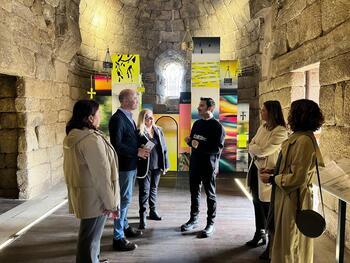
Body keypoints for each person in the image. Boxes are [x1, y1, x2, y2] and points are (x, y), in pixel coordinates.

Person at [260, 99, 325, 263]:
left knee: (291, 243)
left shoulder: (304, 141)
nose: (289, 116)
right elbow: (292, 167)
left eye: (292, 112)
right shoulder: (299, 137)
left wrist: (274, 178)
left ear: (299, 115)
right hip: (287, 196)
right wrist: (274, 172)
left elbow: (297, 178)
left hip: (294, 198)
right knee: (286, 240)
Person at [63, 100, 119, 263]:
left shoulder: (74, 136)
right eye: (98, 113)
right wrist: (110, 203)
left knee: (89, 236)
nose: (100, 116)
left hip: (86, 194)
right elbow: (102, 176)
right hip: (96, 197)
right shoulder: (90, 140)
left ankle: (93, 259)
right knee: (90, 238)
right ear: (90, 118)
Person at [109, 89, 150, 251]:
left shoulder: (129, 117)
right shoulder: (117, 119)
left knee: (126, 199)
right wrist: (136, 152)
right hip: (124, 166)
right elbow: (116, 146)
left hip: (131, 165)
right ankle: (118, 237)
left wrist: (148, 144)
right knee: (123, 201)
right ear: (124, 101)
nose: (137, 100)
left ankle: (125, 227)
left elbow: (133, 137)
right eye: (134, 98)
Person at [246, 101, 288, 259]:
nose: (261, 112)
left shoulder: (280, 131)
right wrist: (255, 150)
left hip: (267, 173)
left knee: (268, 210)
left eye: (263, 110)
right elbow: (251, 145)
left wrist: (255, 150)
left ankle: (271, 245)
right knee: (257, 204)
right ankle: (259, 234)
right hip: (256, 170)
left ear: (272, 112)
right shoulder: (262, 127)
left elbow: (263, 150)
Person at [181, 97, 225, 238]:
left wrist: (197, 144)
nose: (198, 108)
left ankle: (210, 223)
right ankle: (193, 220)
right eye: (199, 105)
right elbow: (194, 144)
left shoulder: (218, 127)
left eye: (201, 105)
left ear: (210, 108)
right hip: (195, 165)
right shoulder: (197, 123)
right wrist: (189, 142)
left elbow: (216, 149)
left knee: (210, 195)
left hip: (208, 166)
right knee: (194, 193)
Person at [136, 109, 170, 229]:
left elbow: (164, 147)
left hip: (157, 165)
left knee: (154, 189)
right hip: (144, 166)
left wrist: (165, 164)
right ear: (142, 119)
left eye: (151, 117)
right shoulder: (138, 132)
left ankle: (153, 211)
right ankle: (142, 216)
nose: (149, 120)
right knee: (144, 191)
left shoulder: (158, 130)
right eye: (146, 118)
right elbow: (135, 148)